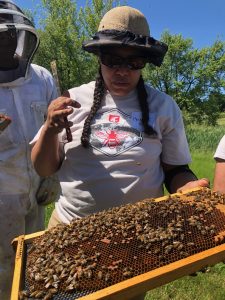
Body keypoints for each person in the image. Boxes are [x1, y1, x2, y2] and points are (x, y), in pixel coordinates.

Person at [31, 6, 209, 299]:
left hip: (136, 241)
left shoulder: (164, 106)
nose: (122, 71)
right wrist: (50, 128)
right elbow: (44, 169)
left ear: (145, 62)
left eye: (134, 61)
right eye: (112, 59)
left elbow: (176, 170)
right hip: (70, 233)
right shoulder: (71, 100)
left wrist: (188, 187)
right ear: (99, 58)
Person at [0, 1, 58, 299]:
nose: (5, 43)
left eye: (9, 36)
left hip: (37, 189)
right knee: (2, 267)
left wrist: (51, 178)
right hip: (1, 196)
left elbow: (56, 128)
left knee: (33, 260)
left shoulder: (42, 78)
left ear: (21, 37)